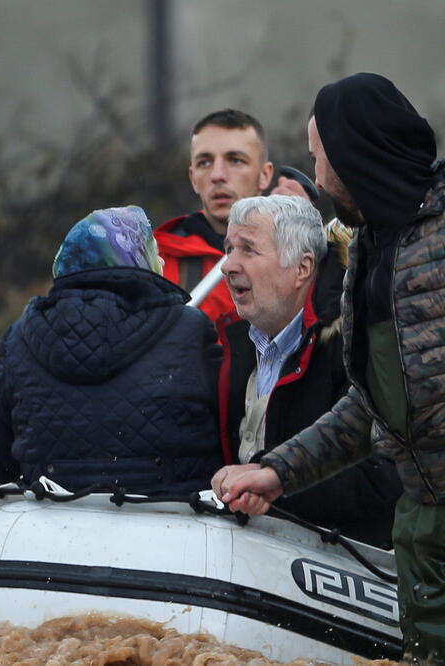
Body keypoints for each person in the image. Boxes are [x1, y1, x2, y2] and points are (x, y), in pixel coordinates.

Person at [211, 73, 442, 660]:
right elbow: (374, 403)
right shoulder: (368, 249)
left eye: (319, 156)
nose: (314, 176)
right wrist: (277, 473)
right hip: (423, 538)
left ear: (353, 154)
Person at [0, 206, 222, 494]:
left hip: (51, 511)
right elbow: (231, 430)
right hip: (175, 509)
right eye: (153, 251)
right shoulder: (190, 329)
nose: (161, 260)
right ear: (138, 258)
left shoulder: (21, 336)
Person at [217, 194, 400, 547]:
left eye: (248, 250)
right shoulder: (230, 344)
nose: (228, 265)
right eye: (228, 249)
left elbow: (385, 476)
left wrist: (272, 481)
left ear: (302, 268)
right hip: (249, 559)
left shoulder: (355, 345)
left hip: (348, 565)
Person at [156, 109, 309, 322]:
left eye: (235, 160)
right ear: (193, 178)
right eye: (204, 162)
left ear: (264, 175)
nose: (217, 175)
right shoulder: (156, 262)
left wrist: (300, 236)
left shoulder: (299, 256)